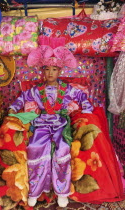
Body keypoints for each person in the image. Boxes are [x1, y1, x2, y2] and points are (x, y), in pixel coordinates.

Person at [8, 45, 93, 207]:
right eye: (47, 69)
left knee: (62, 149)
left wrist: (86, 110)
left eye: (54, 69)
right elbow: (23, 97)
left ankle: (62, 192)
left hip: (60, 124)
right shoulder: (36, 90)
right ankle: (35, 190)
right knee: (34, 147)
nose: (50, 73)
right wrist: (13, 108)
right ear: (43, 71)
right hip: (41, 124)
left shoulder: (67, 89)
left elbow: (82, 97)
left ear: (60, 71)